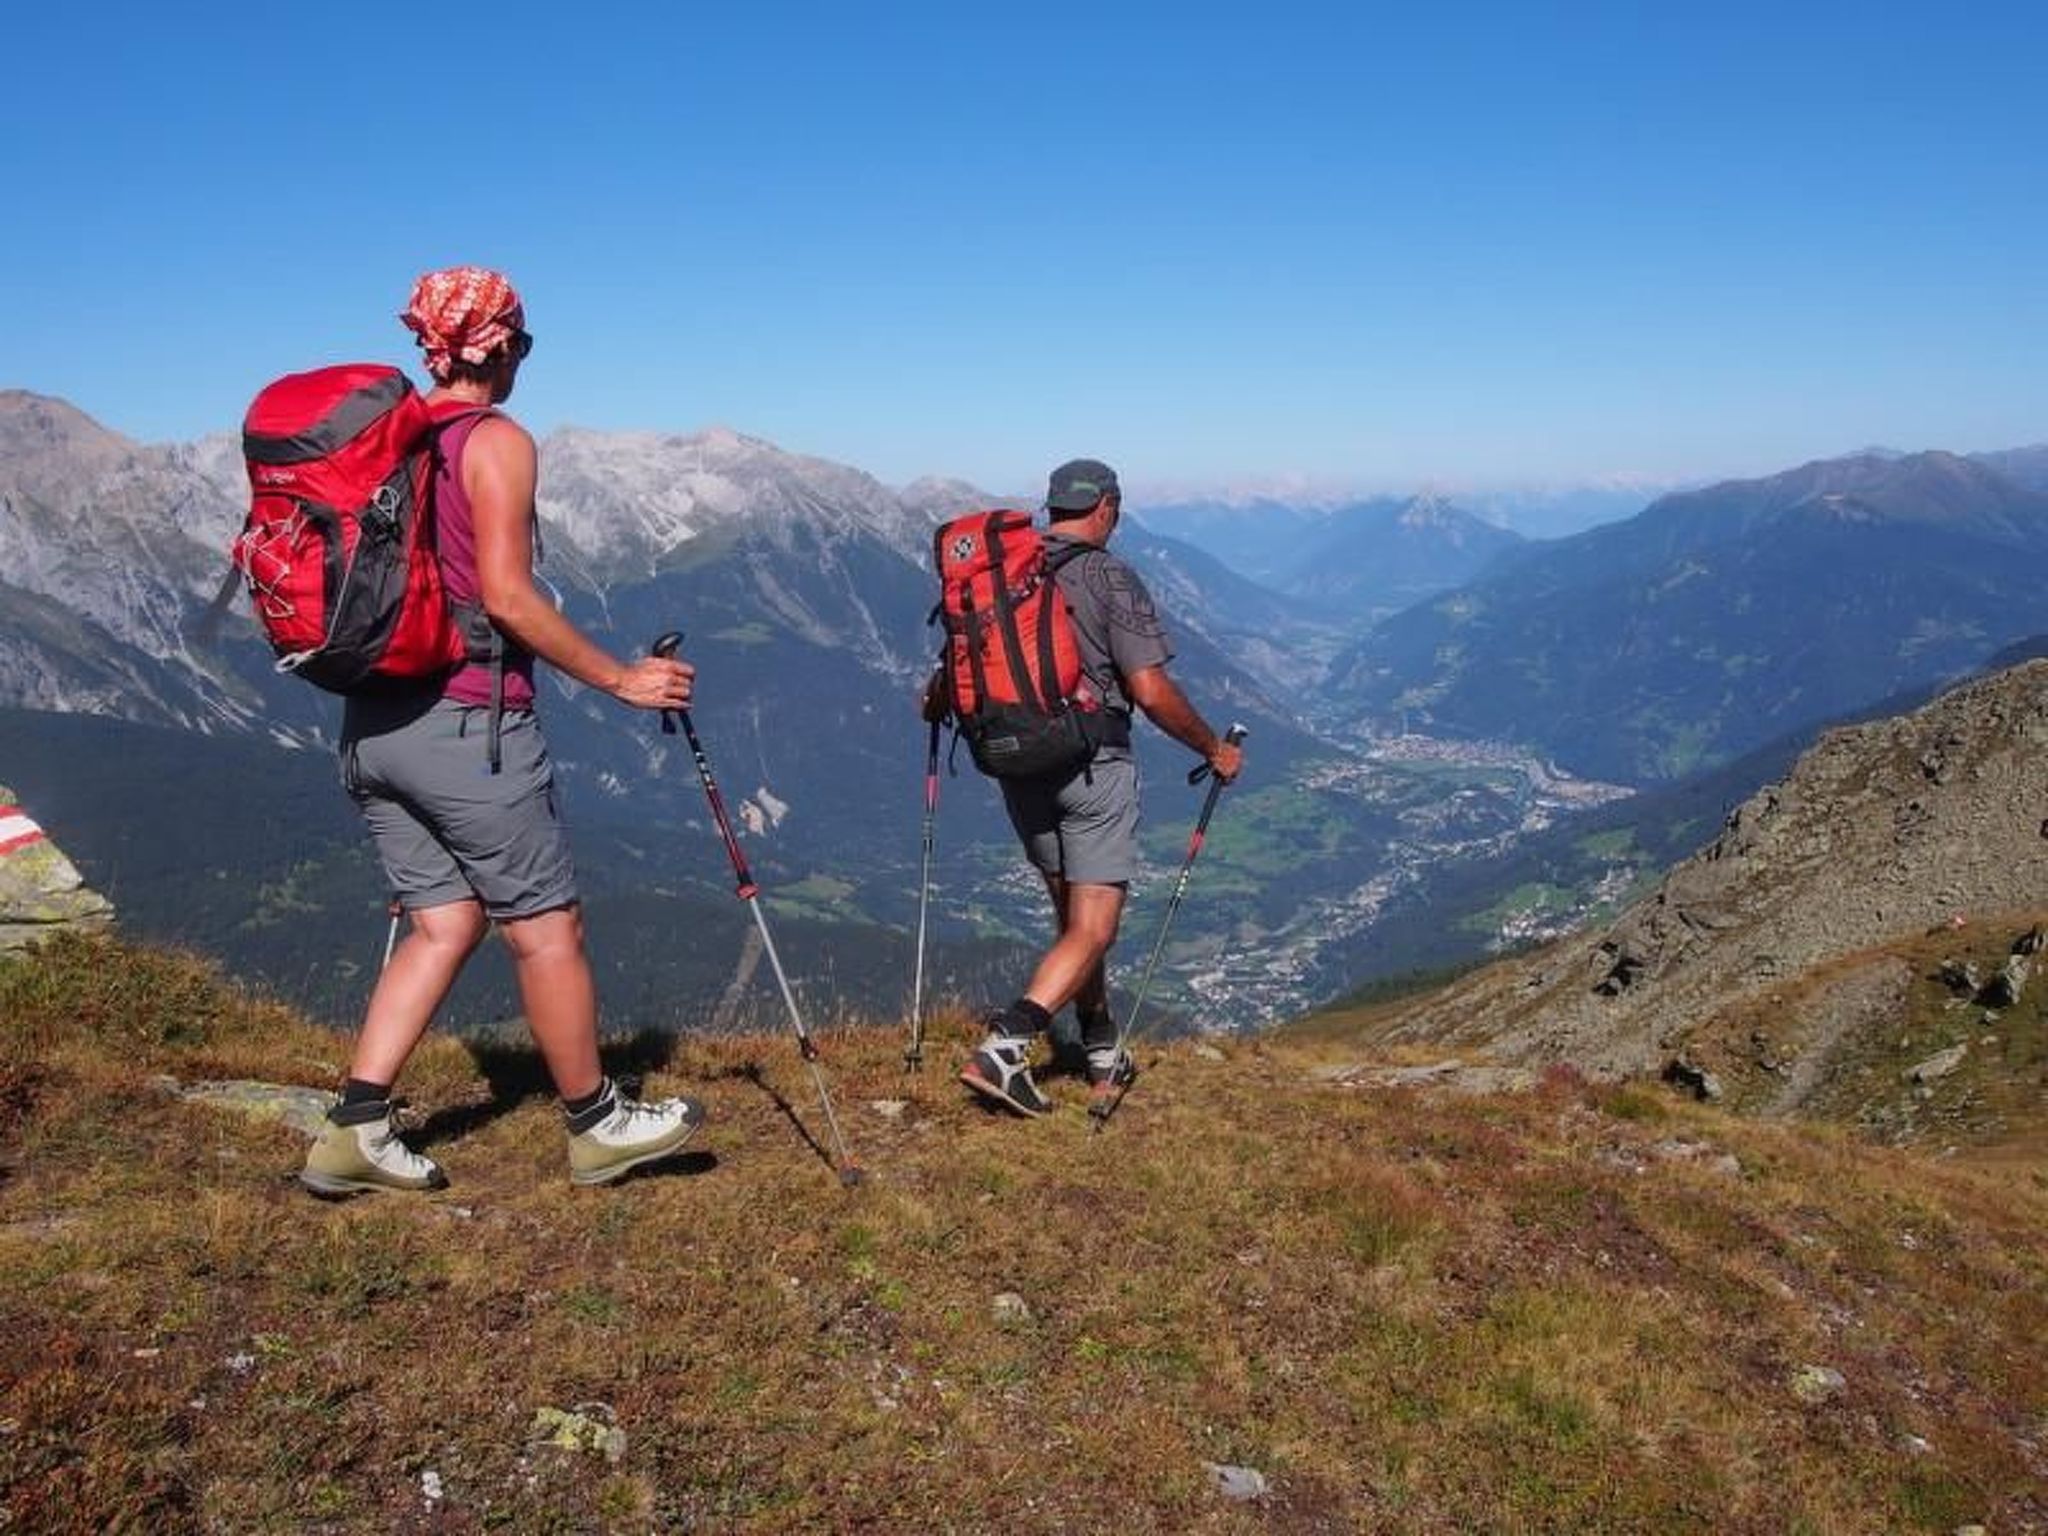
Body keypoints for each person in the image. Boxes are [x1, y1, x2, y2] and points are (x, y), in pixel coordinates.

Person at [301, 266, 707, 1195]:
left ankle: (355, 1129)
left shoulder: (385, 443)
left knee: (444, 923)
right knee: (547, 927)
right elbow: (507, 598)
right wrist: (620, 679)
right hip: (466, 725)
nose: (524, 358)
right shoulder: (495, 441)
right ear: (500, 346)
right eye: (522, 341)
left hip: (372, 725)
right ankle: (597, 1123)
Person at [948, 458, 1243, 1117]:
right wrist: (1212, 749)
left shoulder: (1004, 575)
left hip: (1018, 763)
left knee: (1073, 920)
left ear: (1052, 507)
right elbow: (1151, 691)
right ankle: (1006, 1047)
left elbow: (941, 688)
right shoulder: (1110, 576)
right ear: (1107, 506)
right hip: (1091, 763)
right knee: (1095, 925)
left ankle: (1100, 1042)